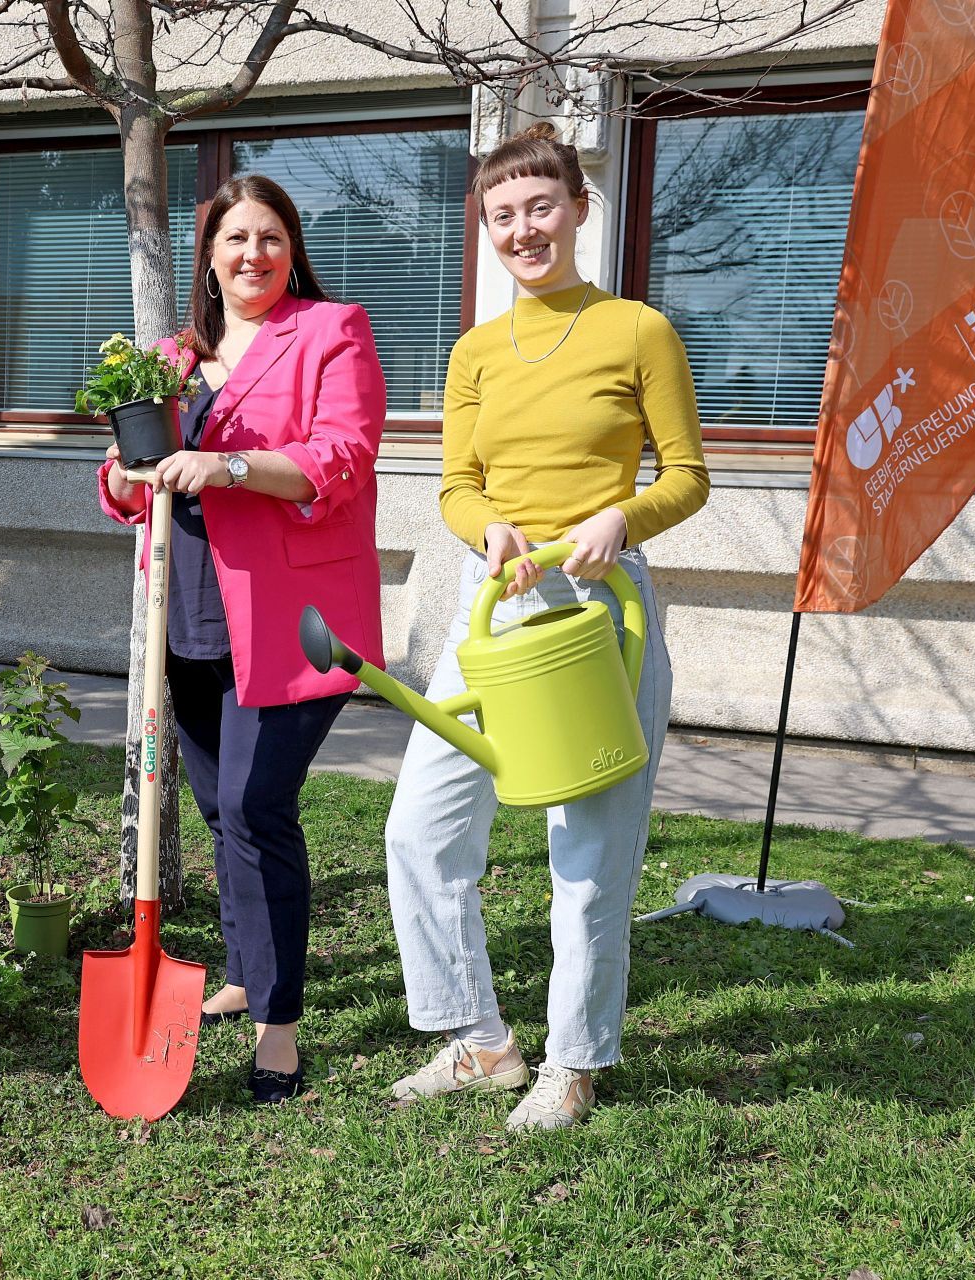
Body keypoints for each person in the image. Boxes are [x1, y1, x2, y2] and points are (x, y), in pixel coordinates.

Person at [384, 123, 709, 1130]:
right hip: (500, 605)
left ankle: (573, 1060)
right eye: (501, 214)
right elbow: (457, 485)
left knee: (590, 849)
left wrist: (624, 516)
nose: (523, 229)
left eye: (539, 206)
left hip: (602, 612)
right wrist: (491, 532)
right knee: (419, 827)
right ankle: (478, 1040)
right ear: (486, 228)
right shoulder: (476, 349)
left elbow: (688, 476)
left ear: (577, 206)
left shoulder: (638, 330)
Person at [98, 174, 387, 1104]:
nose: (253, 254)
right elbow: (125, 479)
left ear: (291, 248)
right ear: (210, 256)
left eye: (270, 237)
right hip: (183, 616)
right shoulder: (172, 358)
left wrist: (223, 464)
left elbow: (341, 457)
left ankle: (279, 1028)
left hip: (290, 621)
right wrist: (122, 477)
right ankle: (241, 969)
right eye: (235, 238)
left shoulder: (331, 330)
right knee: (223, 811)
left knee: (259, 808)